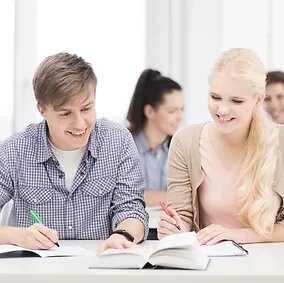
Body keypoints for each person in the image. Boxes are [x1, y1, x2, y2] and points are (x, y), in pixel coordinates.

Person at [0, 52, 148, 251]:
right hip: (34, 273)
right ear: (41, 109)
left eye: (86, 109)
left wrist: (122, 236)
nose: (79, 123)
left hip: (99, 267)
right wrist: (18, 235)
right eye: (65, 113)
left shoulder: (117, 141)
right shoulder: (16, 149)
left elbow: (132, 209)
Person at [158, 48, 284, 245]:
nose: (222, 110)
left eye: (236, 101)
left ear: (258, 99)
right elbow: (182, 217)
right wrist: (174, 228)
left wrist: (235, 235)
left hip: (271, 267)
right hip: (212, 266)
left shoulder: (280, 141)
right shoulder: (186, 141)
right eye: (215, 97)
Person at [126, 69, 184, 207]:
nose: (180, 117)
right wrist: (171, 197)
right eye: (172, 111)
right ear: (150, 111)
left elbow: (189, 198)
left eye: (182, 109)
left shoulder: (180, 149)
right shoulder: (124, 146)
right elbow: (122, 197)